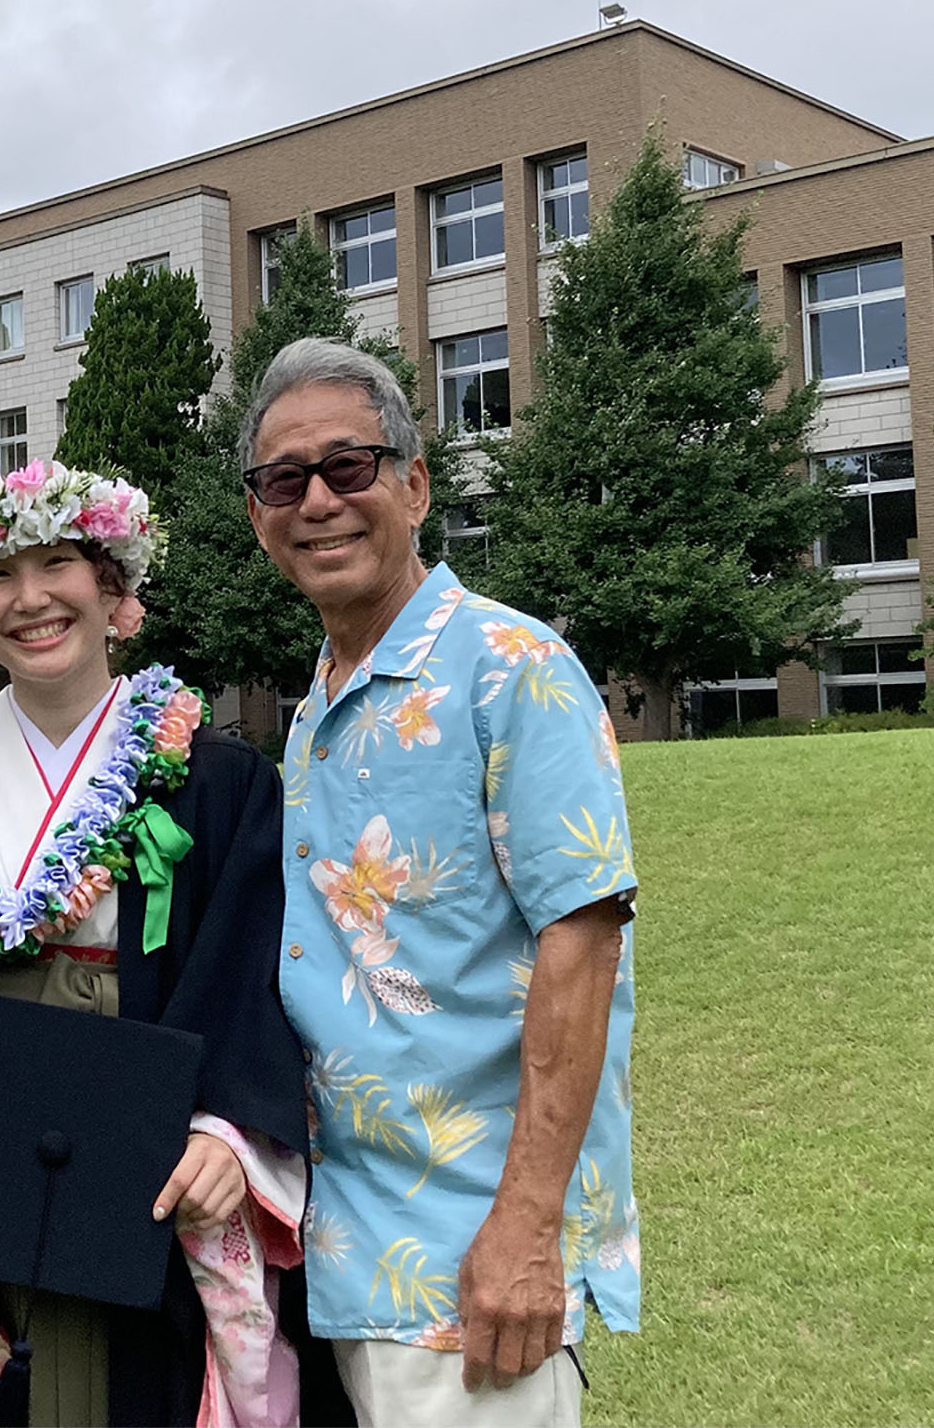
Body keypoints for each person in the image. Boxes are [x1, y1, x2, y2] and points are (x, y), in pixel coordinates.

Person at [0, 459, 319, 1428]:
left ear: (113, 587)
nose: (29, 598)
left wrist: (229, 1127)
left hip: (147, 1148)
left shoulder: (215, 777)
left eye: (56, 562)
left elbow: (251, 969)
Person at [240, 340, 638, 1428]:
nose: (317, 499)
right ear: (258, 517)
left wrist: (524, 1226)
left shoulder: (512, 667)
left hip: (467, 1256)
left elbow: (584, 943)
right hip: (335, 1242)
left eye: (348, 465)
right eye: (284, 480)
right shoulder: (321, 698)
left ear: (415, 485)